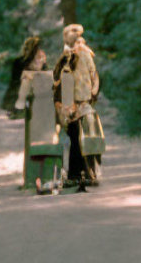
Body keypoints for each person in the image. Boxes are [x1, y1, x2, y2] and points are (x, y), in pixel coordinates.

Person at [53, 23, 104, 190]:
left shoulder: (70, 56)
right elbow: (94, 77)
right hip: (82, 103)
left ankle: (78, 175)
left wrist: (67, 106)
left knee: (77, 139)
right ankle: (87, 174)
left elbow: (61, 80)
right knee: (85, 138)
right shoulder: (85, 55)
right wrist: (92, 97)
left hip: (76, 104)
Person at [11, 37, 63, 193]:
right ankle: (47, 180)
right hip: (49, 113)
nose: (39, 60)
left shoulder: (29, 75)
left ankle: (32, 181)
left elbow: (22, 96)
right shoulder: (53, 75)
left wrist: (19, 105)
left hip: (36, 113)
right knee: (49, 145)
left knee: (35, 146)